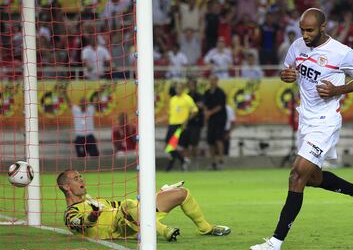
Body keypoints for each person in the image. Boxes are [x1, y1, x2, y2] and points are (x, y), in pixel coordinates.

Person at [249, 8, 353, 250]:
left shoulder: (341, 52)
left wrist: (339, 88)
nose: (305, 35)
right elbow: (288, 72)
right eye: (302, 30)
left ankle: (274, 243)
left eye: (310, 30)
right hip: (304, 120)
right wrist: (286, 76)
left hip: (325, 122)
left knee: (296, 176)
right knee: (312, 178)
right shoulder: (296, 46)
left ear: (323, 27)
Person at [57, 170, 230, 241]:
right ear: (66, 186)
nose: (81, 180)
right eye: (76, 178)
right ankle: (163, 231)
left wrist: (160, 193)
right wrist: (94, 215)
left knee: (181, 193)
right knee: (126, 204)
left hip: (135, 217)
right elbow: (79, 223)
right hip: (120, 229)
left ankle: (206, 228)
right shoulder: (71, 212)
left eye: (81, 177)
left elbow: (137, 206)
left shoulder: (97, 201)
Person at [165, 82, 198, 171]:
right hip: (172, 124)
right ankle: (182, 160)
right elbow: (170, 113)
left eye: (179, 88)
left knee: (174, 145)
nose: (178, 90)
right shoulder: (173, 99)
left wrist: (186, 120)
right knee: (169, 146)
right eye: (177, 88)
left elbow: (195, 110)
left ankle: (172, 165)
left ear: (183, 89)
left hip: (180, 125)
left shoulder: (187, 99)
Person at [64, 88, 99, 157]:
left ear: (87, 104)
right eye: (82, 102)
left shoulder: (90, 110)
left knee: (95, 155)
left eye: (85, 102)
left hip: (89, 137)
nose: (84, 104)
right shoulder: (76, 110)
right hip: (79, 138)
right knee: (81, 156)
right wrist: (65, 94)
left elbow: (96, 101)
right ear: (80, 103)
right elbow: (69, 103)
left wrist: (100, 92)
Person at [204, 75, 227, 170]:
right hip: (211, 120)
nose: (212, 82)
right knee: (210, 141)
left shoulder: (221, 93)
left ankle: (221, 160)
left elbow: (220, 106)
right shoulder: (207, 92)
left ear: (217, 81)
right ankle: (213, 162)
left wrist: (210, 112)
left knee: (219, 140)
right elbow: (205, 104)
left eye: (213, 80)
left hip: (219, 119)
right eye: (210, 80)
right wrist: (206, 113)